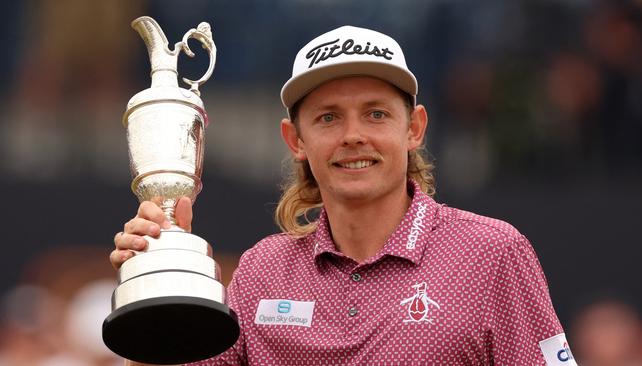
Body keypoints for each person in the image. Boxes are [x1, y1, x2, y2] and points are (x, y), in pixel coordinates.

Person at [112, 25, 577, 366]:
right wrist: (160, 289)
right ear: (295, 140)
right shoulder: (261, 272)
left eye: (375, 114)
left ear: (413, 128)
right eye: (328, 118)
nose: (353, 136)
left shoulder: (492, 253)